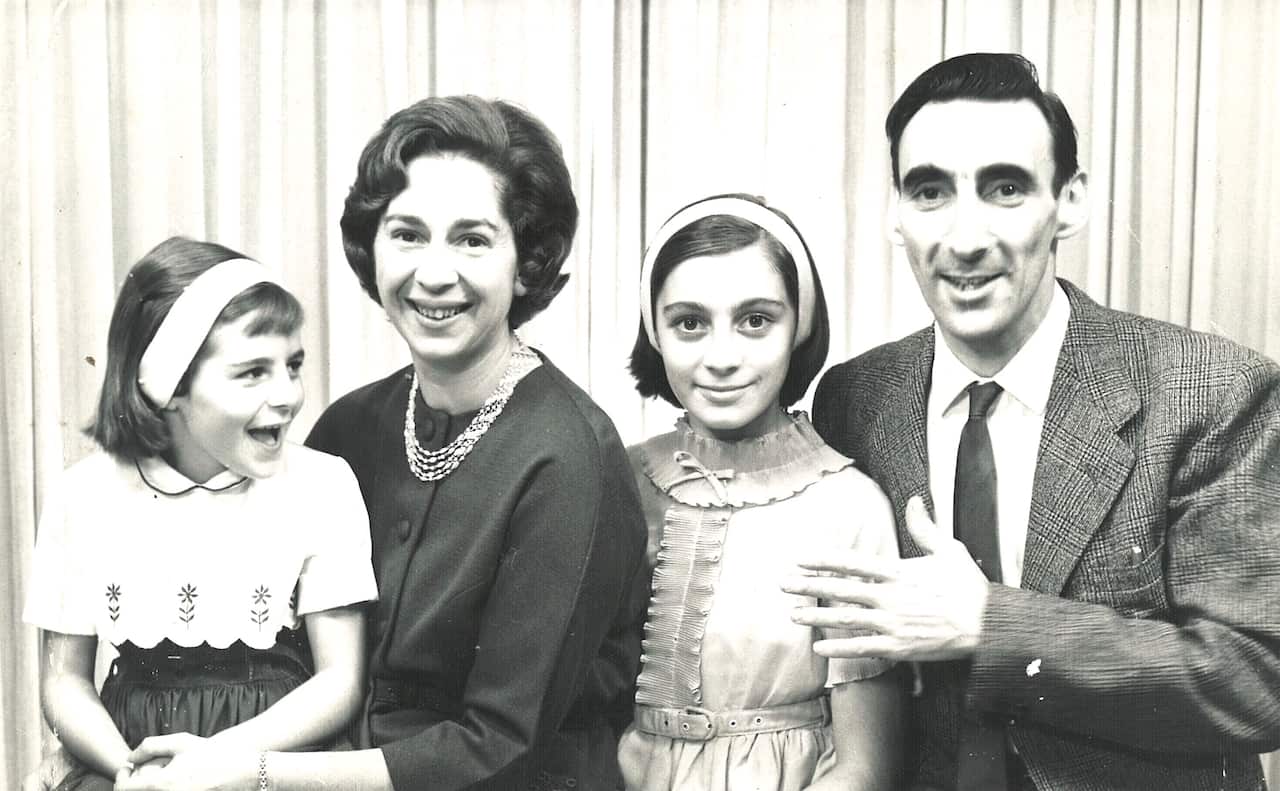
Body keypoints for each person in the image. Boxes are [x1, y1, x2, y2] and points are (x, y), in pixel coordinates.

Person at [117, 95, 648, 791]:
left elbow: (502, 748)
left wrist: (255, 772)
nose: (433, 273)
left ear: (526, 263)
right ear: (374, 250)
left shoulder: (570, 456)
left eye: (472, 239)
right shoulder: (349, 427)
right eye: (407, 234)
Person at [782, 52, 1280, 790]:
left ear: (1069, 201)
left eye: (1005, 188)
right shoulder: (855, 399)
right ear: (895, 213)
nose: (965, 237)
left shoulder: (1211, 389)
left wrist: (992, 627)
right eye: (930, 192)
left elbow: (1257, 679)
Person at [22, 237, 376, 790]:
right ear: (171, 386)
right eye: (253, 371)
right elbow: (64, 681)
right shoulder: (83, 495)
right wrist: (128, 771)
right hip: (131, 756)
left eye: (293, 365)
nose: (288, 394)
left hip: (271, 751)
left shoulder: (322, 485)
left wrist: (214, 762)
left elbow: (340, 681)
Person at [618, 194, 903, 790]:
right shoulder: (620, 481)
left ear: (798, 328)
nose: (722, 358)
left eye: (755, 321)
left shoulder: (847, 507)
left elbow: (866, 767)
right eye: (689, 323)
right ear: (656, 332)